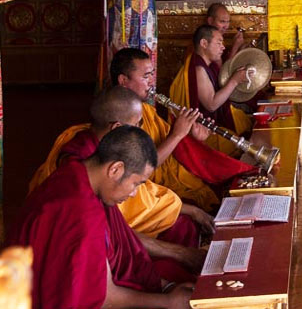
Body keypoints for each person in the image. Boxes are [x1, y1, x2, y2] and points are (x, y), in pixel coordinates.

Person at [27, 87, 207, 276]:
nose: (141, 130)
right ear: (117, 128)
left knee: (183, 227)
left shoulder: (108, 155)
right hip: (85, 256)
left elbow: (123, 215)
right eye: (137, 124)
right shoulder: (84, 168)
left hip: (116, 234)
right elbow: (108, 232)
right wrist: (180, 255)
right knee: (170, 266)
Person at [9, 126, 194, 309]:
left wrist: (167, 288)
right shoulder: (82, 215)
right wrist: (168, 302)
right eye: (136, 184)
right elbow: (102, 298)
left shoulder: (75, 170)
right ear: (115, 169)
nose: (134, 194)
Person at [111, 48, 259, 211]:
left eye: (152, 74)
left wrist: (193, 136)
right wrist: (177, 134)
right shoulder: (119, 116)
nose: (152, 82)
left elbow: (172, 143)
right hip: (149, 191)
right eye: (146, 76)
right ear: (123, 80)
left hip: (176, 176)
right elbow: (140, 169)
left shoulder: (146, 109)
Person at [169, 25, 252, 155]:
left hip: (212, 125)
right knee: (242, 143)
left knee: (248, 124)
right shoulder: (198, 69)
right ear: (204, 43)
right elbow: (211, 104)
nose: (223, 47)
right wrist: (234, 81)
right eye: (219, 43)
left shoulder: (208, 65)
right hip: (203, 132)